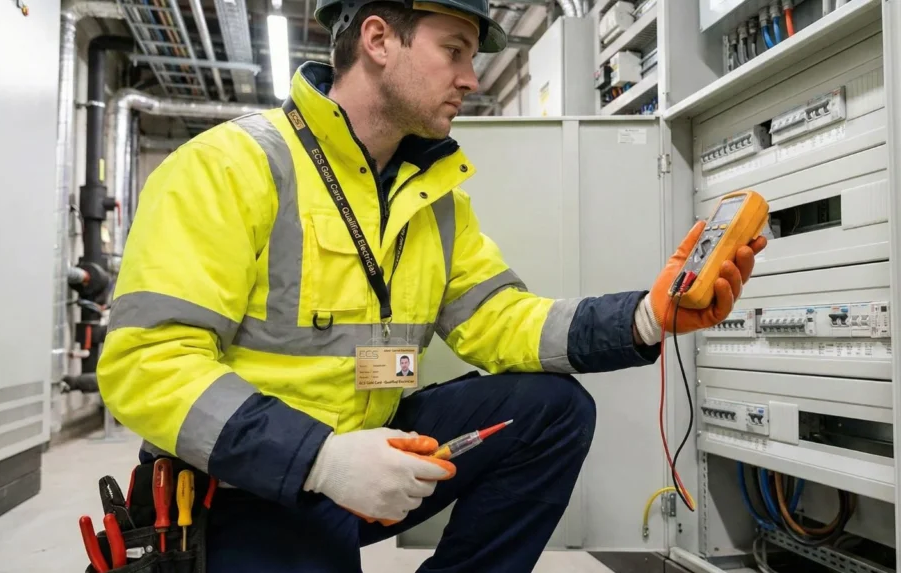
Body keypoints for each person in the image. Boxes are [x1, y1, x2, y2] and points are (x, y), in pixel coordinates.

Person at [96, 0, 768, 569]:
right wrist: (321, 459)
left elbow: (500, 319)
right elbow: (148, 364)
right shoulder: (229, 167)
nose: (471, 79)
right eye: (456, 52)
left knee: (552, 411)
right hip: (248, 482)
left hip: (374, 455)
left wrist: (647, 318)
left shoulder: (434, 197)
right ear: (379, 40)